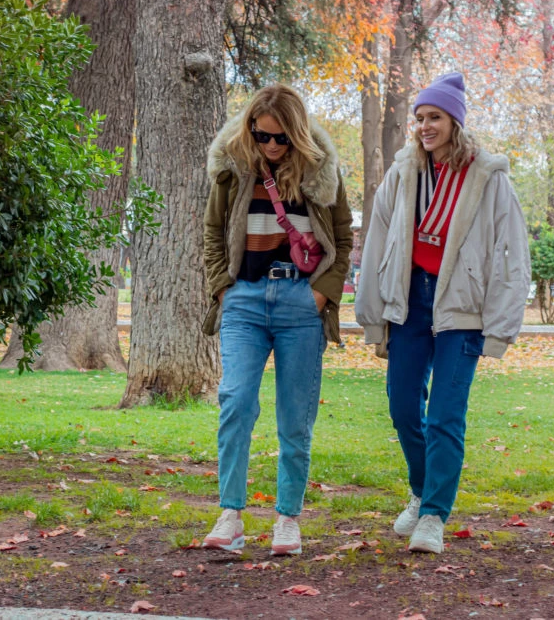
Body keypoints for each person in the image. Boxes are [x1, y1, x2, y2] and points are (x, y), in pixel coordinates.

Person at [354, 72, 531, 554]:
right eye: (420, 119)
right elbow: (377, 242)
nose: (425, 126)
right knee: (403, 408)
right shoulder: (403, 172)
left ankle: (433, 514)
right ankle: (420, 489)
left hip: (464, 310)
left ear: (455, 121)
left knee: (445, 416)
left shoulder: (488, 177)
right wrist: (373, 315)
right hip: (409, 303)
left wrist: (500, 328)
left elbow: (511, 253)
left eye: (434, 117)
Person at [200, 84, 353, 556]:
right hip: (244, 302)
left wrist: (321, 297)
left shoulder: (321, 172)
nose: (270, 145)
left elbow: (343, 240)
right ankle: (231, 515)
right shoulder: (234, 168)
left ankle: (287, 519)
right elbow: (212, 230)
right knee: (236, 402)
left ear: (297, 135)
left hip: (299, 305)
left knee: (295, 419)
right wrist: (222, 288)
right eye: (261, 135)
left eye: (280, 138)